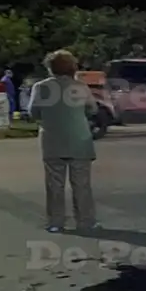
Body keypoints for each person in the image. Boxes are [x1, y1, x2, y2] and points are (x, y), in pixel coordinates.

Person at [28, 50, 98, 232]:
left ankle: (56, 223)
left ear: (50, 68)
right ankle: (86, 221)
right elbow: (92, 109)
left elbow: (33, 113)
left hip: (52, 141)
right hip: (80, 140)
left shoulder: (41, 87)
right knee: (82, 185)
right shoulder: (80, 87)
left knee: (54, 185)